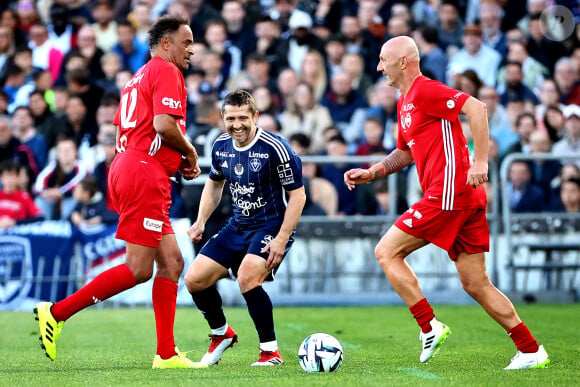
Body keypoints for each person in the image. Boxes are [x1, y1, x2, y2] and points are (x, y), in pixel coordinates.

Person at [344, 36, 549, 370]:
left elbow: (476, 108)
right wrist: (374, 171)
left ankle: (428, 325)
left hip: (449, 191)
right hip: (461, 197)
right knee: (475, 283)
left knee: (386, 251)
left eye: (383, 60)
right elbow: (406, 151)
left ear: (404, 62)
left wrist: (480, 162)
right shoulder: (404, 102)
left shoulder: (425, 90)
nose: (379, 67)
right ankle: (529, 349)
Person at [34, 15, 205, 369]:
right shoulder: (166, 71)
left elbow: (131, 131)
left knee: (172, 263)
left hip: (131, 165)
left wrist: (169, 159)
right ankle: (56, 312)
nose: (192, 48)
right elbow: (163, 124)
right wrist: (189, 152)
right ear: (165, 44)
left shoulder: (136, 78)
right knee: (139, 269)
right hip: (144, 172)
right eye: (186, 41)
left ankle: (166, 354)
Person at [184, 90, 306, 367]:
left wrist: (281, 238)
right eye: (230, 118)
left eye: (242, 118)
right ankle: (221, 334)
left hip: (270, 226)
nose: (236, 124)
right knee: (194, 279)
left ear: (255, 117)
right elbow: (215, 183)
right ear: (222, 119)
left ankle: (270, 351)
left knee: (248, 277)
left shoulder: (276, 148)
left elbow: (298, 196)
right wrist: (201, 220)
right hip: (238, 225)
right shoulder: (221, 146)